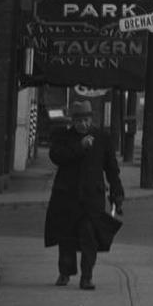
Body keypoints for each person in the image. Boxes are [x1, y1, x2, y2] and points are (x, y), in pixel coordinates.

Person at [44, 101, 125, 290]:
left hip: (91, 198)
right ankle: (65, 273)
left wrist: (117, 193)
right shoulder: (63, 136)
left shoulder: (102, 138)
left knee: (89, 237)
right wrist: (80, 147)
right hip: (67, 197)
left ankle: (87, 277)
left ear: (91, 119)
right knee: (66, 237)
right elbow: (56, 156)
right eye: (79, 121)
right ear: (73, 121)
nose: (83, 124)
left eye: (86, 120)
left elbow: (112, 169)